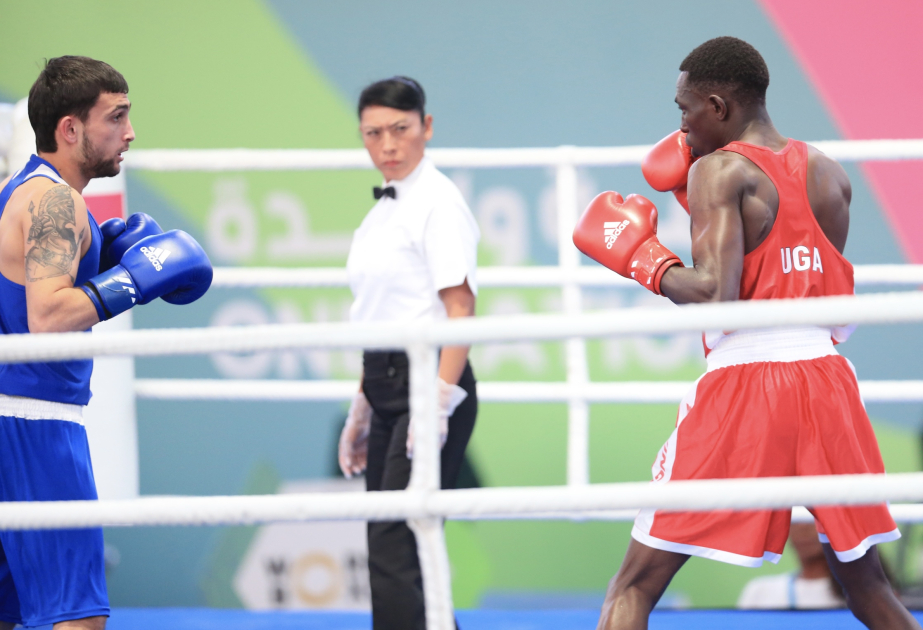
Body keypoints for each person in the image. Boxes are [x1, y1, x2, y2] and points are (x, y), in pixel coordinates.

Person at [573, 37, 920, 630]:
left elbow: (716, 293)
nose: (680, 126)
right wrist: (696, 205)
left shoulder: (718, 169)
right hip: (827, 382)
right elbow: (788, 271)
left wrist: (644, 260)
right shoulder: (830, 175)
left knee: (633, 585)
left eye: (685, 110)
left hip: (748, 383)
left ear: (718, 105)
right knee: (866, 585)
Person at [0, 56, 212, 630]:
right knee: (77, 618)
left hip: (11, 419)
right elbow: (46, 316)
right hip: (36, 426)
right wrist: (132, 282)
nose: (130, 132)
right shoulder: (56, 203)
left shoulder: (18, 193)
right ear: (70, 129)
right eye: (115, 117)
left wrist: (101, 260)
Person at [337, 76, 480, 630]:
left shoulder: (439, 203)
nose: (388, 145)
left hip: (427, 381)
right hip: (385, 380)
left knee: (396, 542)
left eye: (400, 129)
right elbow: (376, 315)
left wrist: (437, 400)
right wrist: (362, 403)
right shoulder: (381, 215)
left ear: (427, 127)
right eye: (374, 133)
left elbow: (459, 309)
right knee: (393, 542)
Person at [737, 521, 846, 609]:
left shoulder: (856, 590)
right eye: (794, 519)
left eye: (814, 517)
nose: (802, 527)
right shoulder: (760, 590)